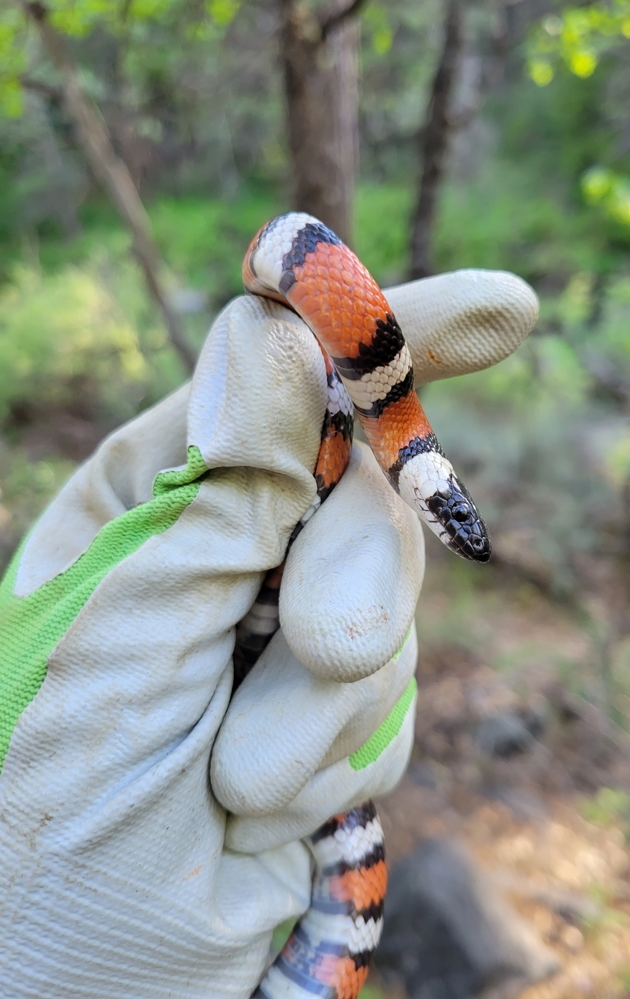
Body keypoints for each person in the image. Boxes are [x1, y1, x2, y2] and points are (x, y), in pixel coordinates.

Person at [0, 264, 537, 997]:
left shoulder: (394, 435)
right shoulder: (374, 412)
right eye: (448, 518)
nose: (452, 532)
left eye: (449, 520)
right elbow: (284, 256)